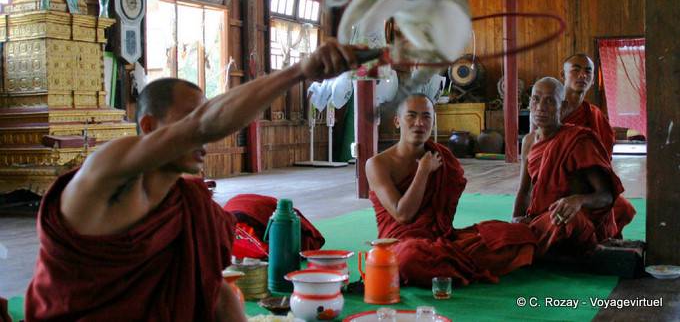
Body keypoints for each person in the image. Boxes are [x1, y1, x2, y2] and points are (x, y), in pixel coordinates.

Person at [25, 40, 357, 322]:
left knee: (222, 293)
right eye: (189, 119)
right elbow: (205, 126)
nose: (205, 135)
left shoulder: (191, 203)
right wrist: (299, 71)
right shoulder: (104, 176)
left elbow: (209, 291)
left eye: (203, 116)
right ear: (150, 125)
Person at [366, 94, 535, 288]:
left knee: (513, 234)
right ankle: (453, 262)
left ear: (433, 121)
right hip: (401, 244)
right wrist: (423, 171)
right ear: (397, 121)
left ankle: (447, 261)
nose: (419, 123)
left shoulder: (442, 157)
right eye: (411, 116)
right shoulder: (377, 164)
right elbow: (403, 214)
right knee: (408, 258)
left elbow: (443, 220)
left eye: (426, 117)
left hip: (442, 241)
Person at [512, 77, 629, 257]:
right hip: (544, 217)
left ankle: (529, 245)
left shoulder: (579, 140)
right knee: (504, 232)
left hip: (574, 220)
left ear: (564, 106)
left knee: (563, 221)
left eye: (550, 101)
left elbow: (606, 196)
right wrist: (514, 221)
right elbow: (524, 190)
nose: (540, 106)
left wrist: (578, 200)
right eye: (536, 99)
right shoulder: (528, 141)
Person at [560, 53, 636, 236]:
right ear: (563, 76)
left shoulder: (595, 115)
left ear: (593, 79)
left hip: (590, 185)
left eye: (588, 71)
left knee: (623, 208)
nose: (582, 75)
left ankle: (602, 240)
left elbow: (603, 160)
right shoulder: (551, 111)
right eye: (575, 70)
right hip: (557, 183)